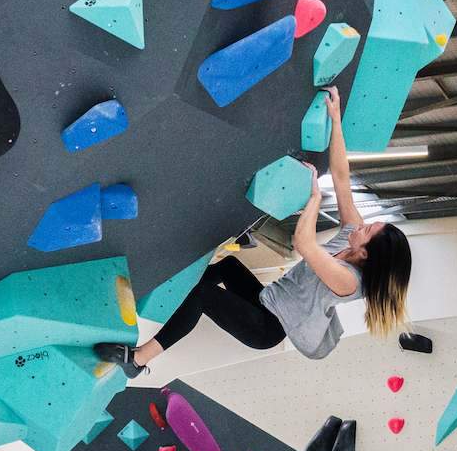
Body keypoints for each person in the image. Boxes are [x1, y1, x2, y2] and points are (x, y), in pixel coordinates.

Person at [94, 87, 411, 377]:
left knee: (205, 297)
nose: (361, 225)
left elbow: (303, 243)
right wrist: (336, 120)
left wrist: (315, 199)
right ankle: (159, 296)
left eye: (368, 230)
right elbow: (342, 177)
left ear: (366, 253)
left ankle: (138, 360)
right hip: (267, 299)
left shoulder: (347, 281)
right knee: (227, 266)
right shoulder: (352, 235)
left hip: (268, 327)